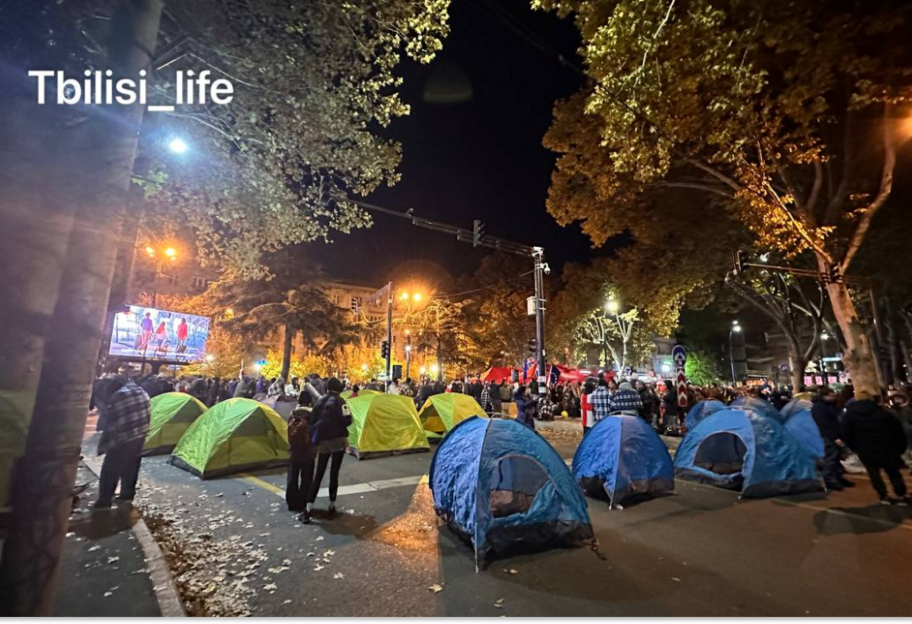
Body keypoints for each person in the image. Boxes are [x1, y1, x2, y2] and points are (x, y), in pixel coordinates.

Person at [842, 391, 909, 506]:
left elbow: (846, 434)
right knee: (893, 473)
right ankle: (901, 495)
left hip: (865, 450)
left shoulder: (849, 416)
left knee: (874, 474)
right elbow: (898, 432)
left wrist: (856, 448)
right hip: (887, 448)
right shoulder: (884, 413)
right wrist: (900, 448)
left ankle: (883, 495)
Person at [94, 377, 151, 509]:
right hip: (141, 433)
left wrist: (105, 445)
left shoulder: (118, 396)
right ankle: (127, 494)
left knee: (110, 468)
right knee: (131, 466)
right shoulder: (141, 391)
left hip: (124, 436)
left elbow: (111, 424)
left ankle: (105, 499)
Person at [308, 377, 352, 517]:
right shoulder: (341, 402)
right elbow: (347, 420)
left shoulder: (320, 400)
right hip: (338, 440)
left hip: (323, 440)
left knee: (319, 473)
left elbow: (312, 419)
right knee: (334, 472)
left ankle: (308, 507)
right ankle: (331, 505)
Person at [812, 387, 853, 490]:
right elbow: (824, 424)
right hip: (829, 436)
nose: (834, 397)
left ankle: (837, 477)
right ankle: (829, 479)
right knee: (831, 458)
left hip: (835, 434)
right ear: (825, 396)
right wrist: (834, 437)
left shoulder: (829, 405)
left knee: (836, 458)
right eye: (832, 395)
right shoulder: (819, 408)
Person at [287, 393, 316, 519]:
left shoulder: (293, 413)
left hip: (294, 451)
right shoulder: (313, 414)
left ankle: (292, 502)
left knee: (292, 476)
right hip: (309, 451)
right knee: (307, 478)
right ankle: (303, 501)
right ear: (309, 401)